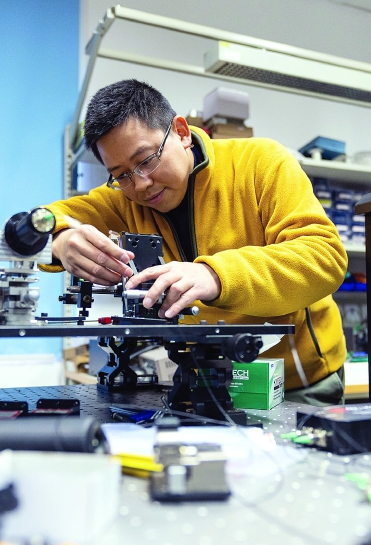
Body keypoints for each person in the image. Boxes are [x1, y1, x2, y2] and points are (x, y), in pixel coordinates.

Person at [40, 78, 348, 405]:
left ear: (182, 132)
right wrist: (60, 240)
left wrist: (215, 275)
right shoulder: (124, 200)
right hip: (203, 383)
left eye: (146, 160)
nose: (140, 184)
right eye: (121, 174)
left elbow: (324, 258)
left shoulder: (261, 162)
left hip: (295, 383)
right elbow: (35, 224)